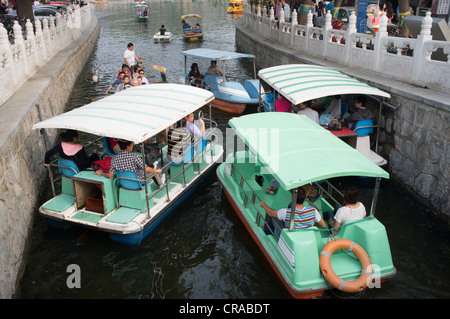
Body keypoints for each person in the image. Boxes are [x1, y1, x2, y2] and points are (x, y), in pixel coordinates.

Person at [95, 139, 162, 184]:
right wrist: (156, 170)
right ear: (127, 147)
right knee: (153, 172)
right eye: (131, 146)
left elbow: (110, 175)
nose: (132, 147)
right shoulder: (134, 156)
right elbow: (147, 169)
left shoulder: (114, 159)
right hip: (137, 182)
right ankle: (161, 185)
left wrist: (101, 173)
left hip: (124, 183)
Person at [260, 187, 326, 230]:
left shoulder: (285, 212)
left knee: (273, 212)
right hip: (305, 235)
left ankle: (267, 231)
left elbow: (270, 213)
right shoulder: (313, 211)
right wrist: (311, 224)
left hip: (290, 236)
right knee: (290, 205)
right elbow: (323, 225)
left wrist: (264, 204)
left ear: (292, 198)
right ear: (304, 198)